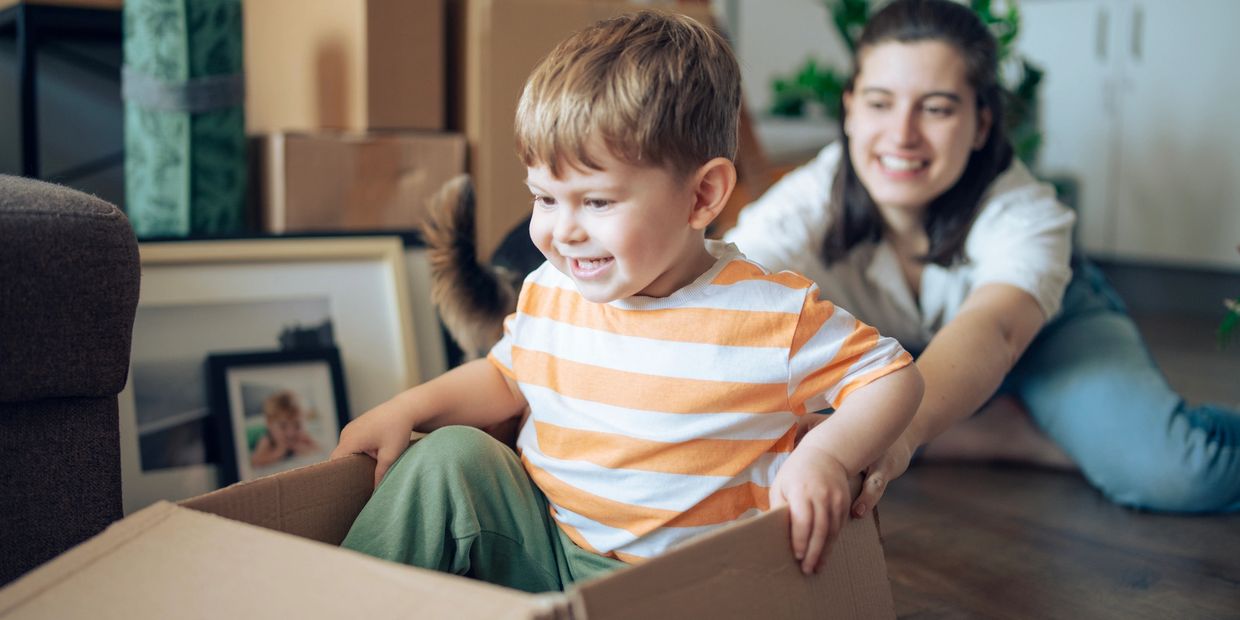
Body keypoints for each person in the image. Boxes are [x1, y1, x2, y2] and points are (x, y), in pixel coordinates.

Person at [330, 10, 924, 593]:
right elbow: (507, 376)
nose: (562, 231)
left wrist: (827, 455)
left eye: (597, 203)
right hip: (548, 549)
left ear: (703, 196)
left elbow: (892, 377)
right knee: (449, 455)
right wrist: (406, 409)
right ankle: (328, 602)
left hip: (680, 591)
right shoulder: (552, 289)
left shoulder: (769, 317)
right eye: (544, 197)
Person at [725, 0, 1240, 514]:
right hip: (905, 364)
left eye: (937, 108)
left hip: (1042, 335)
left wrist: (897, 435)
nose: (902, 135)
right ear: (851, 109)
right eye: (880, 103)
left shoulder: (1023, 208)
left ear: (981, 123)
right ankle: (1003, 435)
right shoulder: (806, 199)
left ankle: (1023, 426)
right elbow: (734, 288)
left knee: (1176, 472)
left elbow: (996, 330)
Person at [250, 390, 321, 469]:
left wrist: (303, 449)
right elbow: (255, 461)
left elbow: (318, 450)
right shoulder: (267, 439)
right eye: (282, 426)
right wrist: (278, 452)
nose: (290, 433)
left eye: (297, 425)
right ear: (269, 425)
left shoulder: (303, 436)